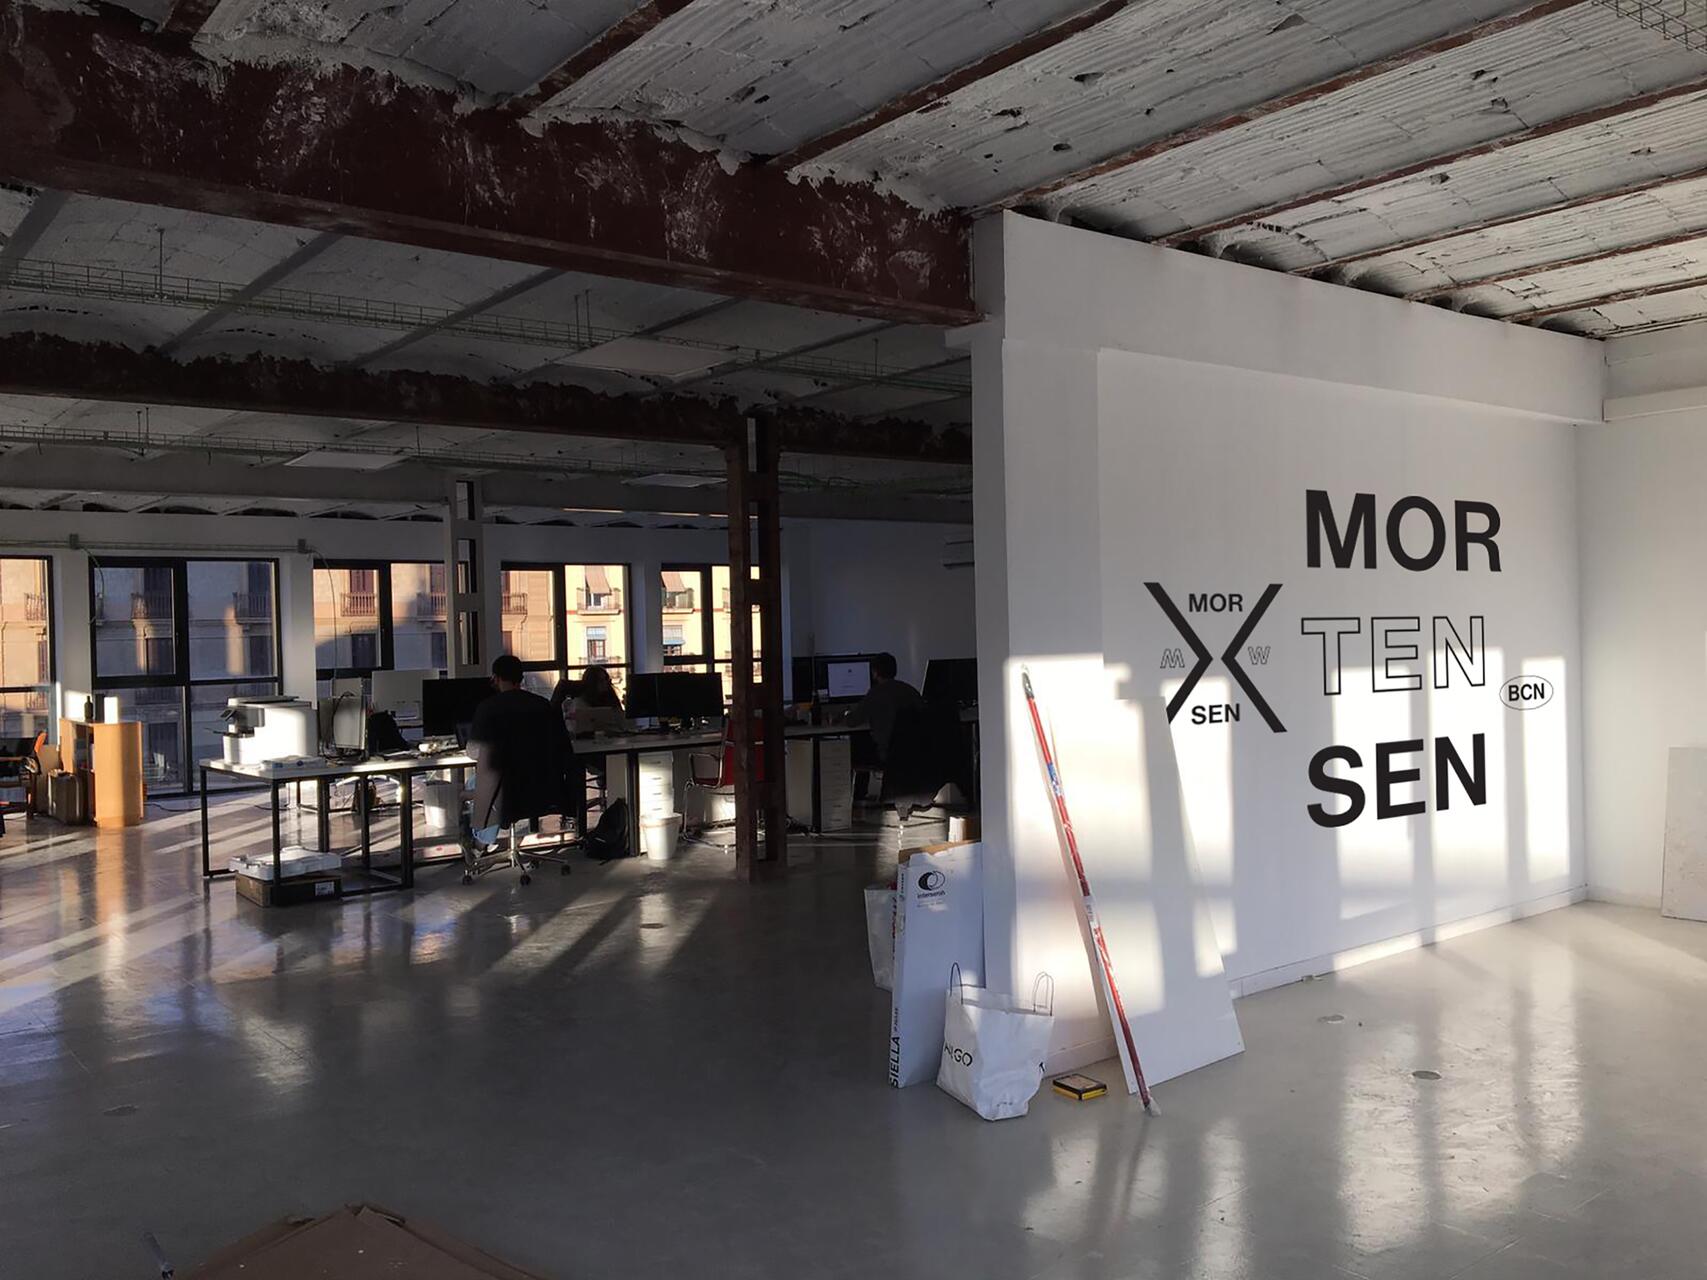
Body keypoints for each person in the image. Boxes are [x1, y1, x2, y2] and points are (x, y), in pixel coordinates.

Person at [466, 654, 563, 851]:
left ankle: (480, 843)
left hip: (506, 789)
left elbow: (474, 753)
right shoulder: (542, 705)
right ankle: (500, 839)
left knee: (476, 782)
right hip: (540, 785)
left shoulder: (488, 708)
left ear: (496, 678)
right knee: (493, 784)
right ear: (521, 678)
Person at [841, 652, 924, 765]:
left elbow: (852, 721)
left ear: (875, 672)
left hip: (887, 754)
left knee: (856, 745)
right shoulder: (911, 691)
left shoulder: (875, 694)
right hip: (915, 751)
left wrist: (845, 713)